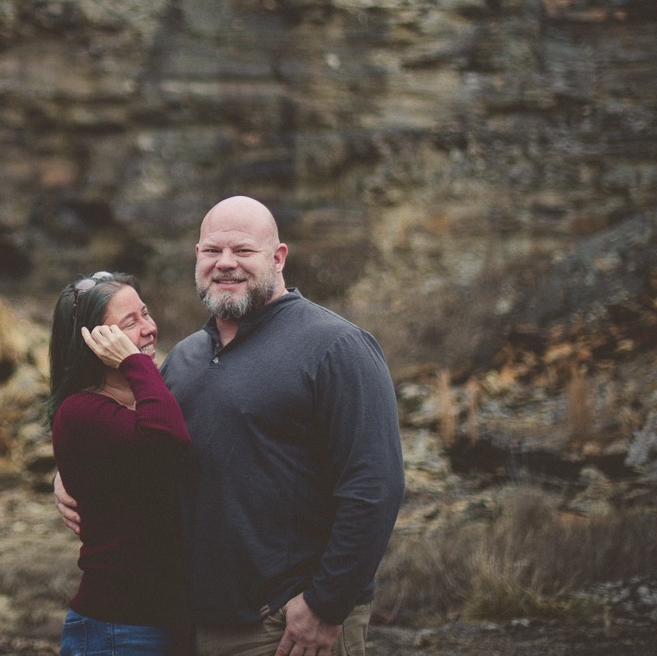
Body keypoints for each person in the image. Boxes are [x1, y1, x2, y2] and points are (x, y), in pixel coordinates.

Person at [56, 197, 405, 656]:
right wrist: (68, 473)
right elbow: (137, 439)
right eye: (211, 251)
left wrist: (326, 604)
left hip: (287, 625)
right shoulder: (184, 358)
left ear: (278, 258)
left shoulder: (336, 347)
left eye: (243, 251)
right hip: (195, 624)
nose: (225, 264)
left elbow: (374, 486)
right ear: (196, 258)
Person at [48, 270, 192, 655]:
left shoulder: (152, 396)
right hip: (119, 626)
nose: (148, 328)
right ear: (94, 342)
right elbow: (166, 437)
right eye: (130, 322)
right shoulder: (81, 411)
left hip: (166, 620)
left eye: (146, 313)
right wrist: (135, 363)